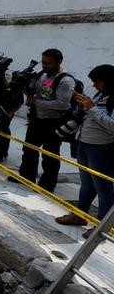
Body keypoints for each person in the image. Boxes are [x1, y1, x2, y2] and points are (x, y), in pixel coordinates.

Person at [55, 65, 114, 238]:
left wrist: (92, 108)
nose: (95, 86)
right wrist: (84, 105)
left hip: (102, 149)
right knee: (87, 185)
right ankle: (79, 215)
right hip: (85, 144)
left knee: (104, 190)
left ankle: (101, 227)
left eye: (98, 82)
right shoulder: (99, 95)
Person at [11, 49, 75, 192]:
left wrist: (36, 102)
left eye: (48, 63)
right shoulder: (45, 75)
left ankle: (47, 184)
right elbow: (44, 89)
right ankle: (26, 177)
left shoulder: (65, 80)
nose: (44, 66)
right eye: (43, 62)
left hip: (53, 122)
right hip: (37, 120)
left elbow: (62, 104)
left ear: (58, 62)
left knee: (50, 154)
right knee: (29, 149)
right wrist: (27, 86)